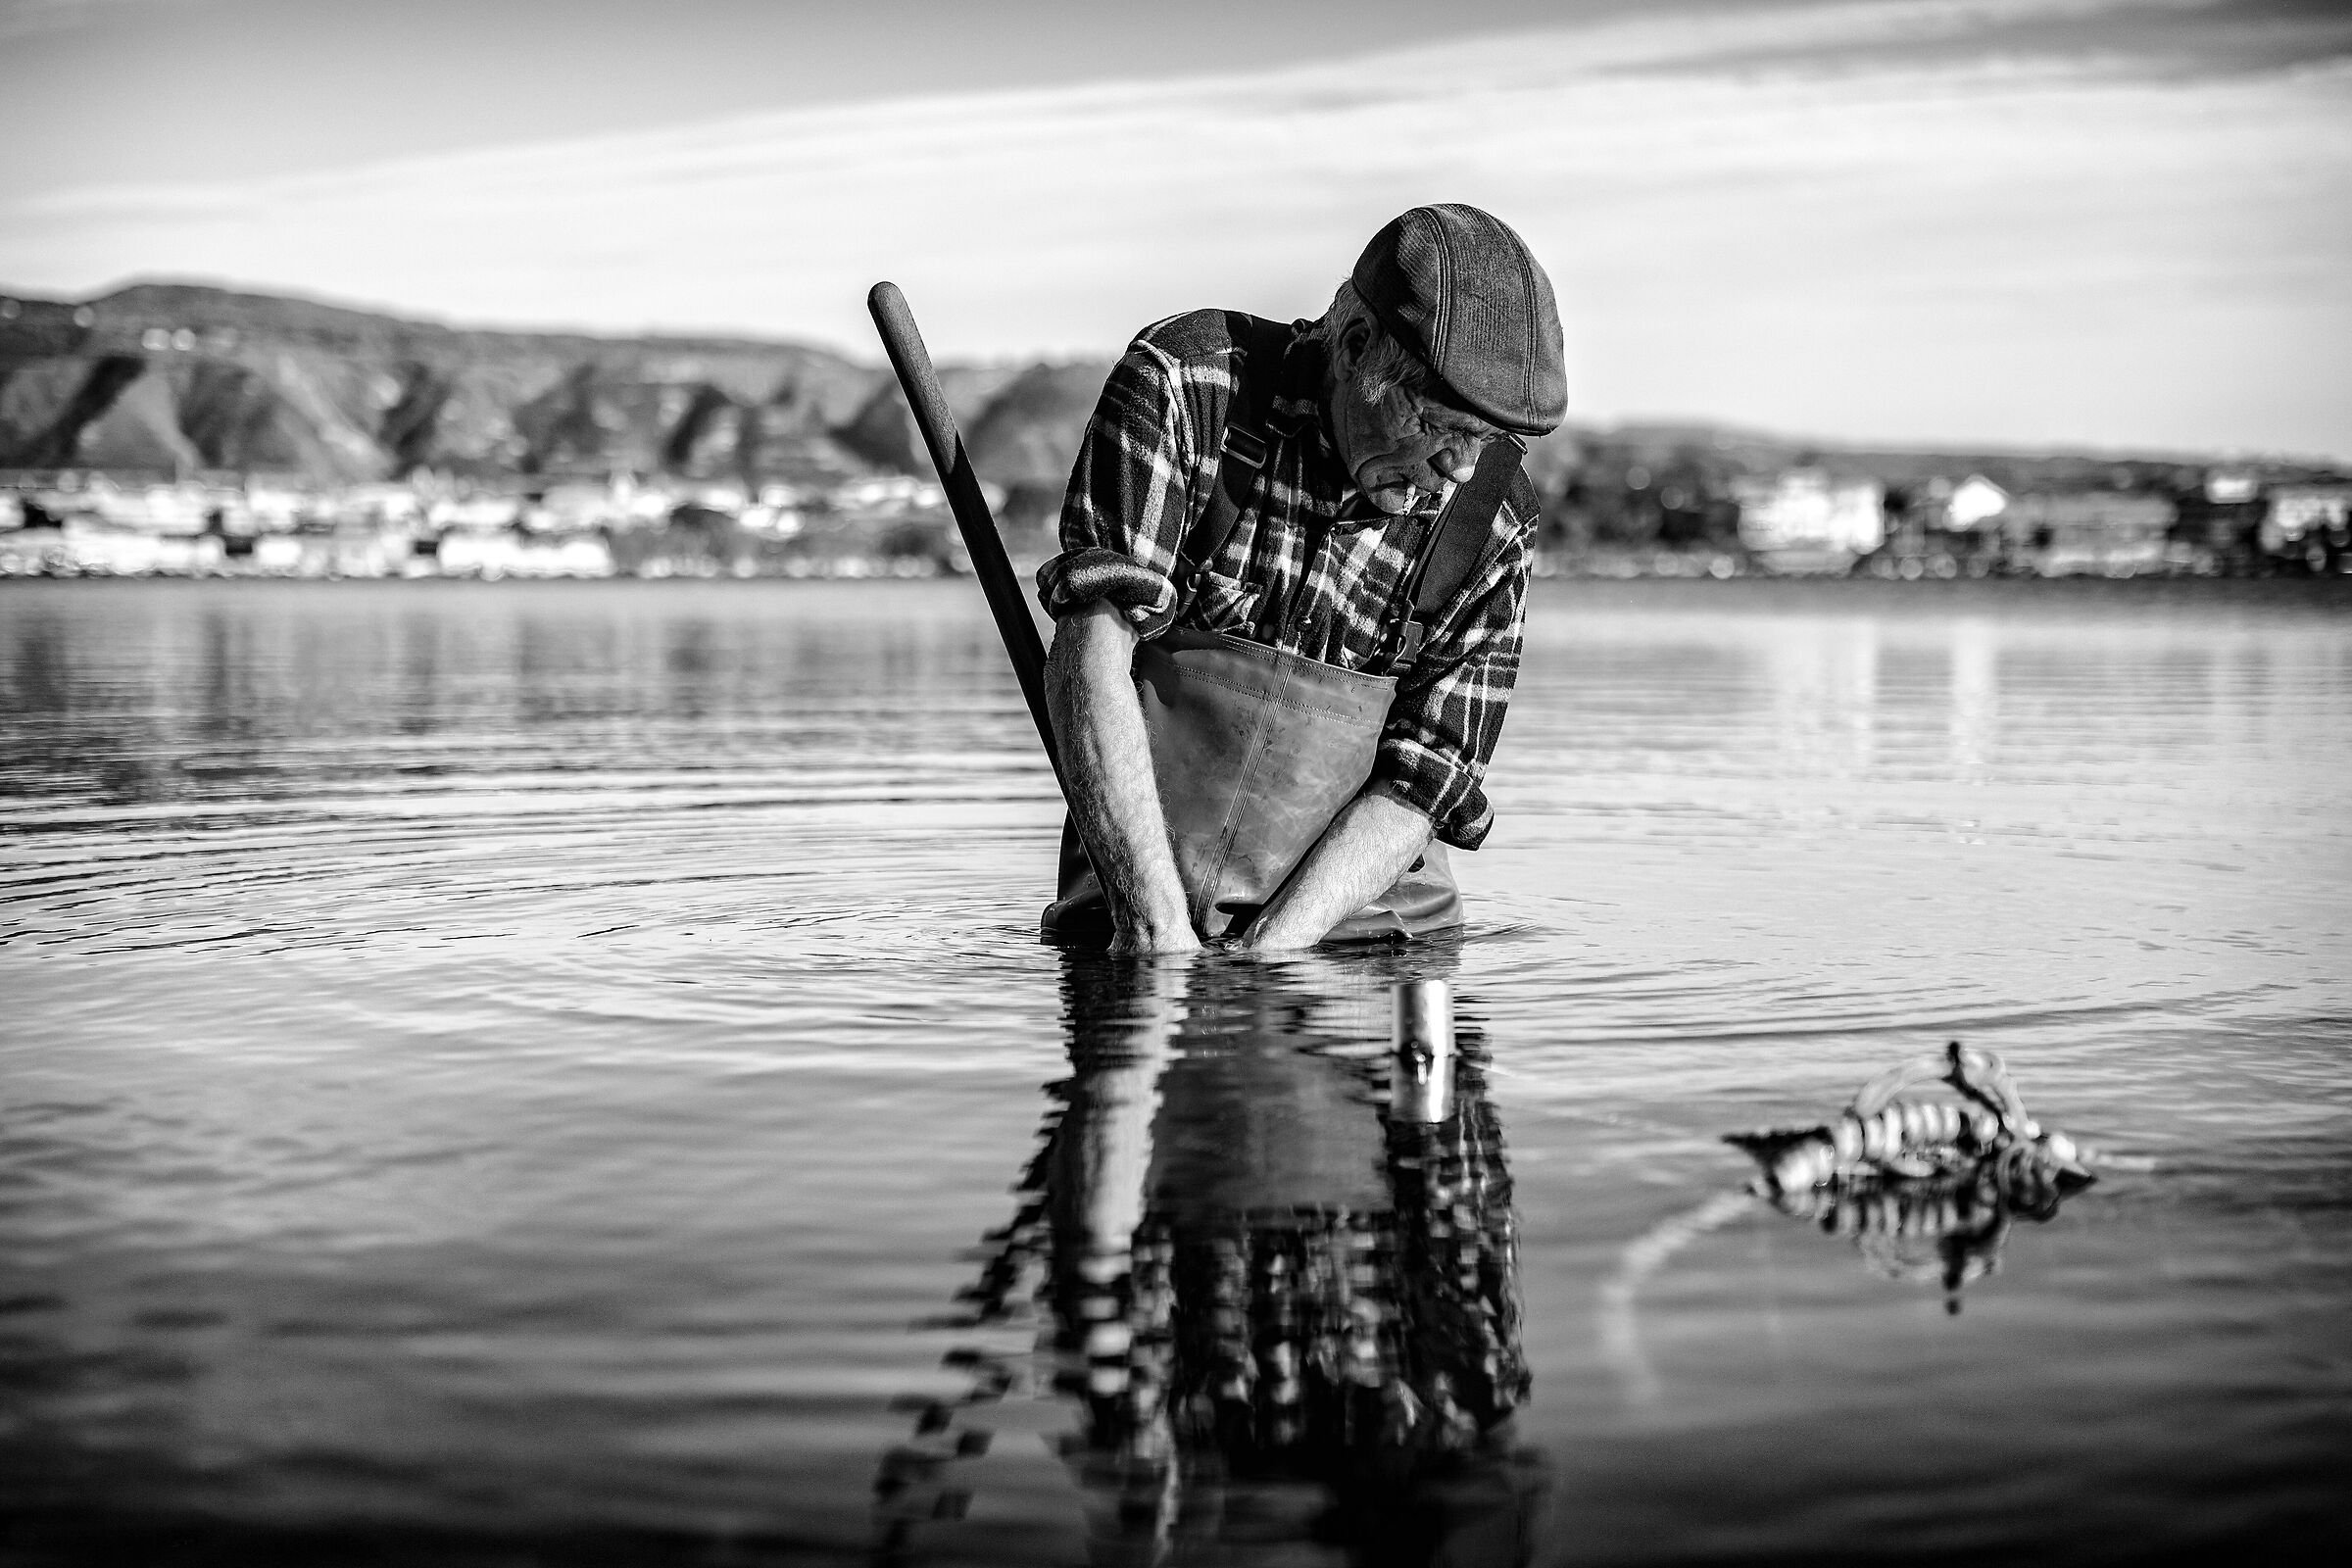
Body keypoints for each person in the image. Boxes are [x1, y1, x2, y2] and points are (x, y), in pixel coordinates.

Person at [1037, 205, 1569, 954]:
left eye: (1485, 440)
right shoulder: (1190, 385)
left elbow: (1429, 773)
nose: (1460, 470)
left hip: (1369, 938)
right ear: (1355, 347)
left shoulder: (1494, 521)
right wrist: (1151, 923)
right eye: (1443, 426)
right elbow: (1094, 643)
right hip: (1143, 910)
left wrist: (1272, 957)